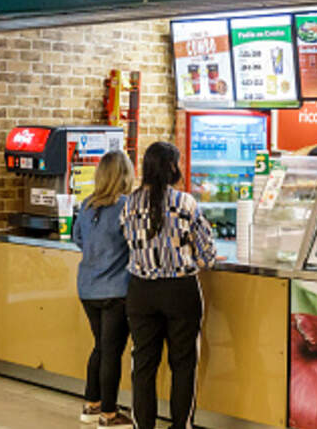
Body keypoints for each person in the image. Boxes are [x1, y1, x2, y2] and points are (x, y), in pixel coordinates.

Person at [121, 141, 217, 429]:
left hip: (140, 291)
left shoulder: (129, 204)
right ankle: (180, 425)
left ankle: (143, 425)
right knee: (183, 364)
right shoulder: (185, 203)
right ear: (172, 167)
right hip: (180, 291)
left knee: (143, 365)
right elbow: (207, 256)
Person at [72, 150, 134, 427]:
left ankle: (91, 403)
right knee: (112, 351)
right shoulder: (126, 207)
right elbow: (137, 242)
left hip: (88, 288)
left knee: (100, 346)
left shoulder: (87, 205)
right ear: (124, 175)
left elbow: (77, 238)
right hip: (116, 290)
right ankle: (109, 414)